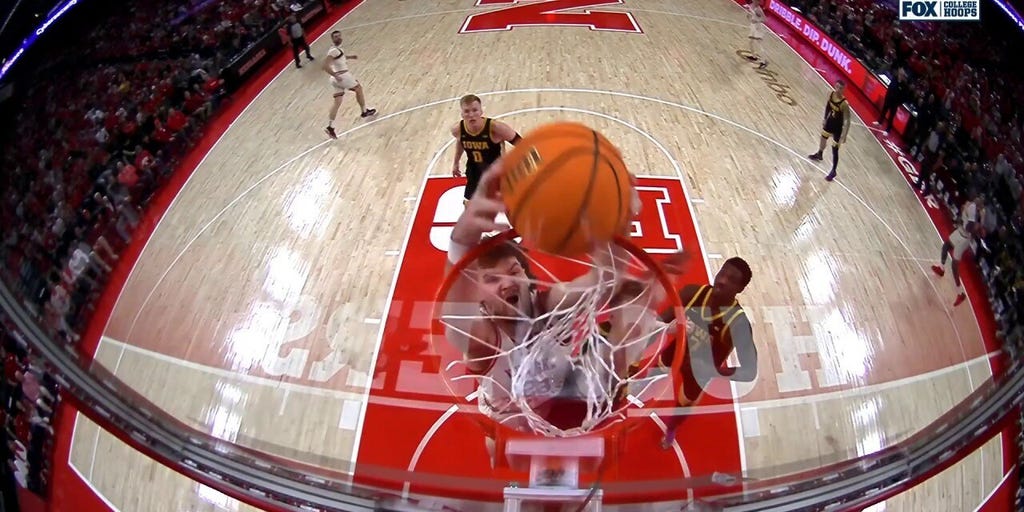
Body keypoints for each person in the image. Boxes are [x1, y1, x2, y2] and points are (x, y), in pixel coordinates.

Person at [441, 158, 654, 432]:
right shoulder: (483, 340)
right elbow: (455, 311)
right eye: (492, 279)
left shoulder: (552, 305)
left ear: (529, 277)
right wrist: (462, 240)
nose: (507, 282)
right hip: (506, 421)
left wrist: (619, 217)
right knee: (500, 455)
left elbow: (606, 276)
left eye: (514, 271)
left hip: (552, 398)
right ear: (477, 296)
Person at [656, 257, 757, 450]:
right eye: (722, 273)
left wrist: (714, 371)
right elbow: (661, 320)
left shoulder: (738, 324)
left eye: (732, 280)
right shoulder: (693, 293)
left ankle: (670, 431)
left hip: (700, 371)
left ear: (739, 289)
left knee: (682, 406)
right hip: (677, 351)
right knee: (653, 376)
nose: (722, 280)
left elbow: (750, 371)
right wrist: (660, 327)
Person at [451, 95, 522, 204]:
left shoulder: (496, 128)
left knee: (508, 203)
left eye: (475, 110)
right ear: (461, 114)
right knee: (469, 204)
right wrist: (455, 163)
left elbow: (521, 143)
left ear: (481, 111)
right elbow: (460, 142)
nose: (471, 115)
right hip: (474, 170)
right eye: (467, 111)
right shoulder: (458, 130)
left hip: (496, 170)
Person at [932, 195, 985, 307]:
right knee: (946, 246)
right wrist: (965, 216)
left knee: (954, 266)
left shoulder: (974, 211)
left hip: (964, 238)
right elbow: (971, 226)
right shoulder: (973, 207)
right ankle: (941, 268)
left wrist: (965, 217)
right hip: (961, 232)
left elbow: (970, 228)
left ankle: (960, 293)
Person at [322, 30, 377, 139]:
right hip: (341, 75)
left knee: (337, 102)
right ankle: (364, 111)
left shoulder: (337, 50)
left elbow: (340, 57)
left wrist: (350, 57)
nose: (338, 38)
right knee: (358, 88)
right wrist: (336, 75)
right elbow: (325, 66)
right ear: (332, 39)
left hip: (335, 79)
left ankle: (330, 127)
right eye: (335, 37)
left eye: (339, 36)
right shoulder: (333, 51)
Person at [808, 79, 851, 182]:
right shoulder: (831, 94)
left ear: (843, 89)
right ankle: (820, 153)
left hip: (838, 128)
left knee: (834, 149)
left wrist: (844, 135)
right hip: (830, 122)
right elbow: (828, 106)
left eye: (840, 88)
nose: (838, 89)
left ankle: (833, 170)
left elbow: (847, 120)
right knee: (823, 139)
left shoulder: (844, 104)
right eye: (837, 87)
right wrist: (824, 118)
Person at [744, 0, 769, 69]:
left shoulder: (759, 10)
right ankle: (754, 56)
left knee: (759, 45)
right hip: (753, 26)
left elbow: (765, 19)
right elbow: (751, 13)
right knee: (750, 42)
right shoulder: (752, 6)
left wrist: (757, 20)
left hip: (758, 28)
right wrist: (749, 15)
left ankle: (764, 62)